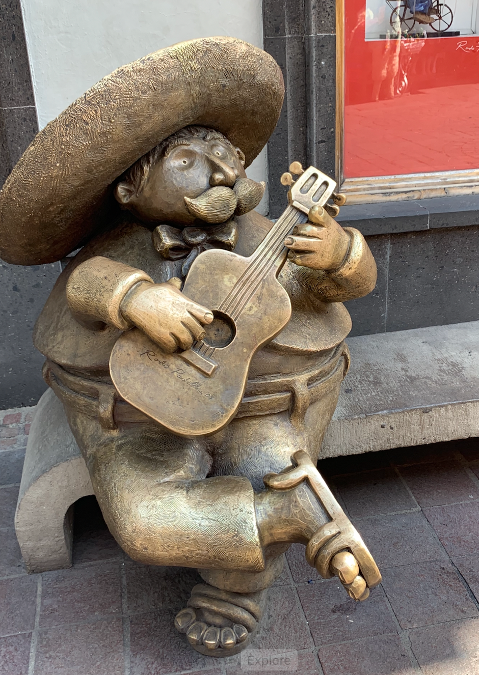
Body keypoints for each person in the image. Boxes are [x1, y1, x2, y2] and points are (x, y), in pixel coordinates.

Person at [0, 38, 380, 657]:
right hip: (139, 416)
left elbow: (353, 287)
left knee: (268, 469)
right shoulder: (116, 244)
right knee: (144, 521)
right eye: (190, 160)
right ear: (130, 189)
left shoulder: (276, 237)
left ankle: (235, 590)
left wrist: (341, 254)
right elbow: (85, 287)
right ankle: (289, 517)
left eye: (228, 156)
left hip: (267, 402)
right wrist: (134, 298)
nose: (226, 172)